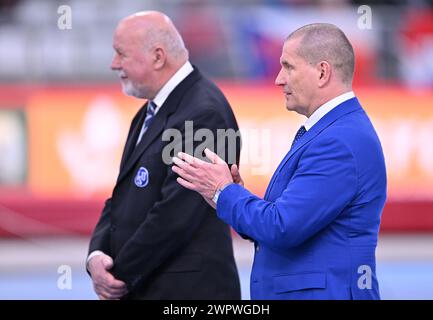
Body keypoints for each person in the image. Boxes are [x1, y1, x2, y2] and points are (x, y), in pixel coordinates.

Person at [172, 23, 387, 300]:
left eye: (288, 66)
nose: (278, 79)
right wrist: (226, 195)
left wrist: (225, 192)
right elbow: (285, 221)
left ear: (322, 72)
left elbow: (281, 227)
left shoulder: (339, 141)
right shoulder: (334, 132)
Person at [87, 11, 241, 300]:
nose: (113, 64)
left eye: (121, 54)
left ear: (158, 57)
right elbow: (121, 197)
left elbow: (175, 215)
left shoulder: (203, 113)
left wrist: (117, 276)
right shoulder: (150, 110)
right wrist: (97, 255)